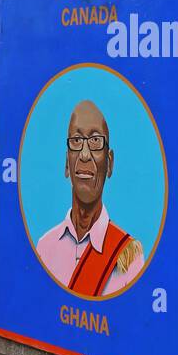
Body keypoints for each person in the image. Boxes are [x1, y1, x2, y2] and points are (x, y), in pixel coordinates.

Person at [35, 100, 144, 297]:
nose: (85, 155)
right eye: (76, 141)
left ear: (109, 163)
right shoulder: (44, 247)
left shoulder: (129, 257)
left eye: (95, 142)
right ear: (67, 162)